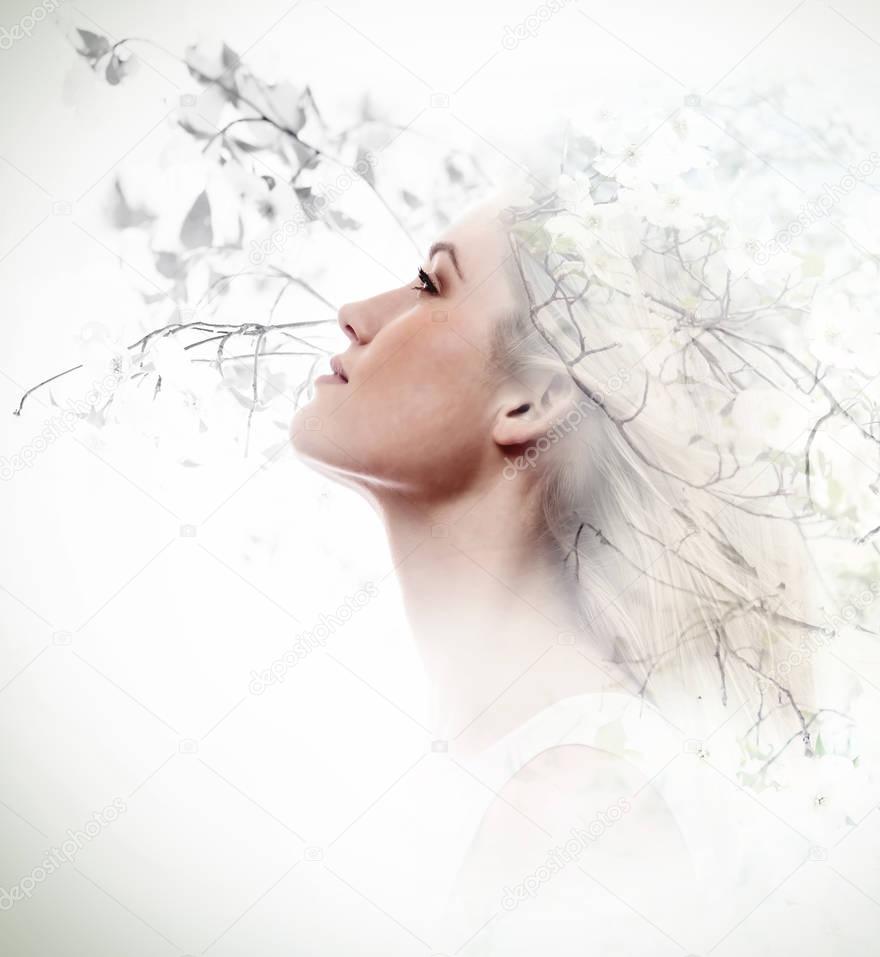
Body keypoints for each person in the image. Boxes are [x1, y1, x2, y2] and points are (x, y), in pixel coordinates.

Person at [289, 193, 819, 954]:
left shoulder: (578, 797)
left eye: (430, 284)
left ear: (533, 400)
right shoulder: (490, 765)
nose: (354, 312)